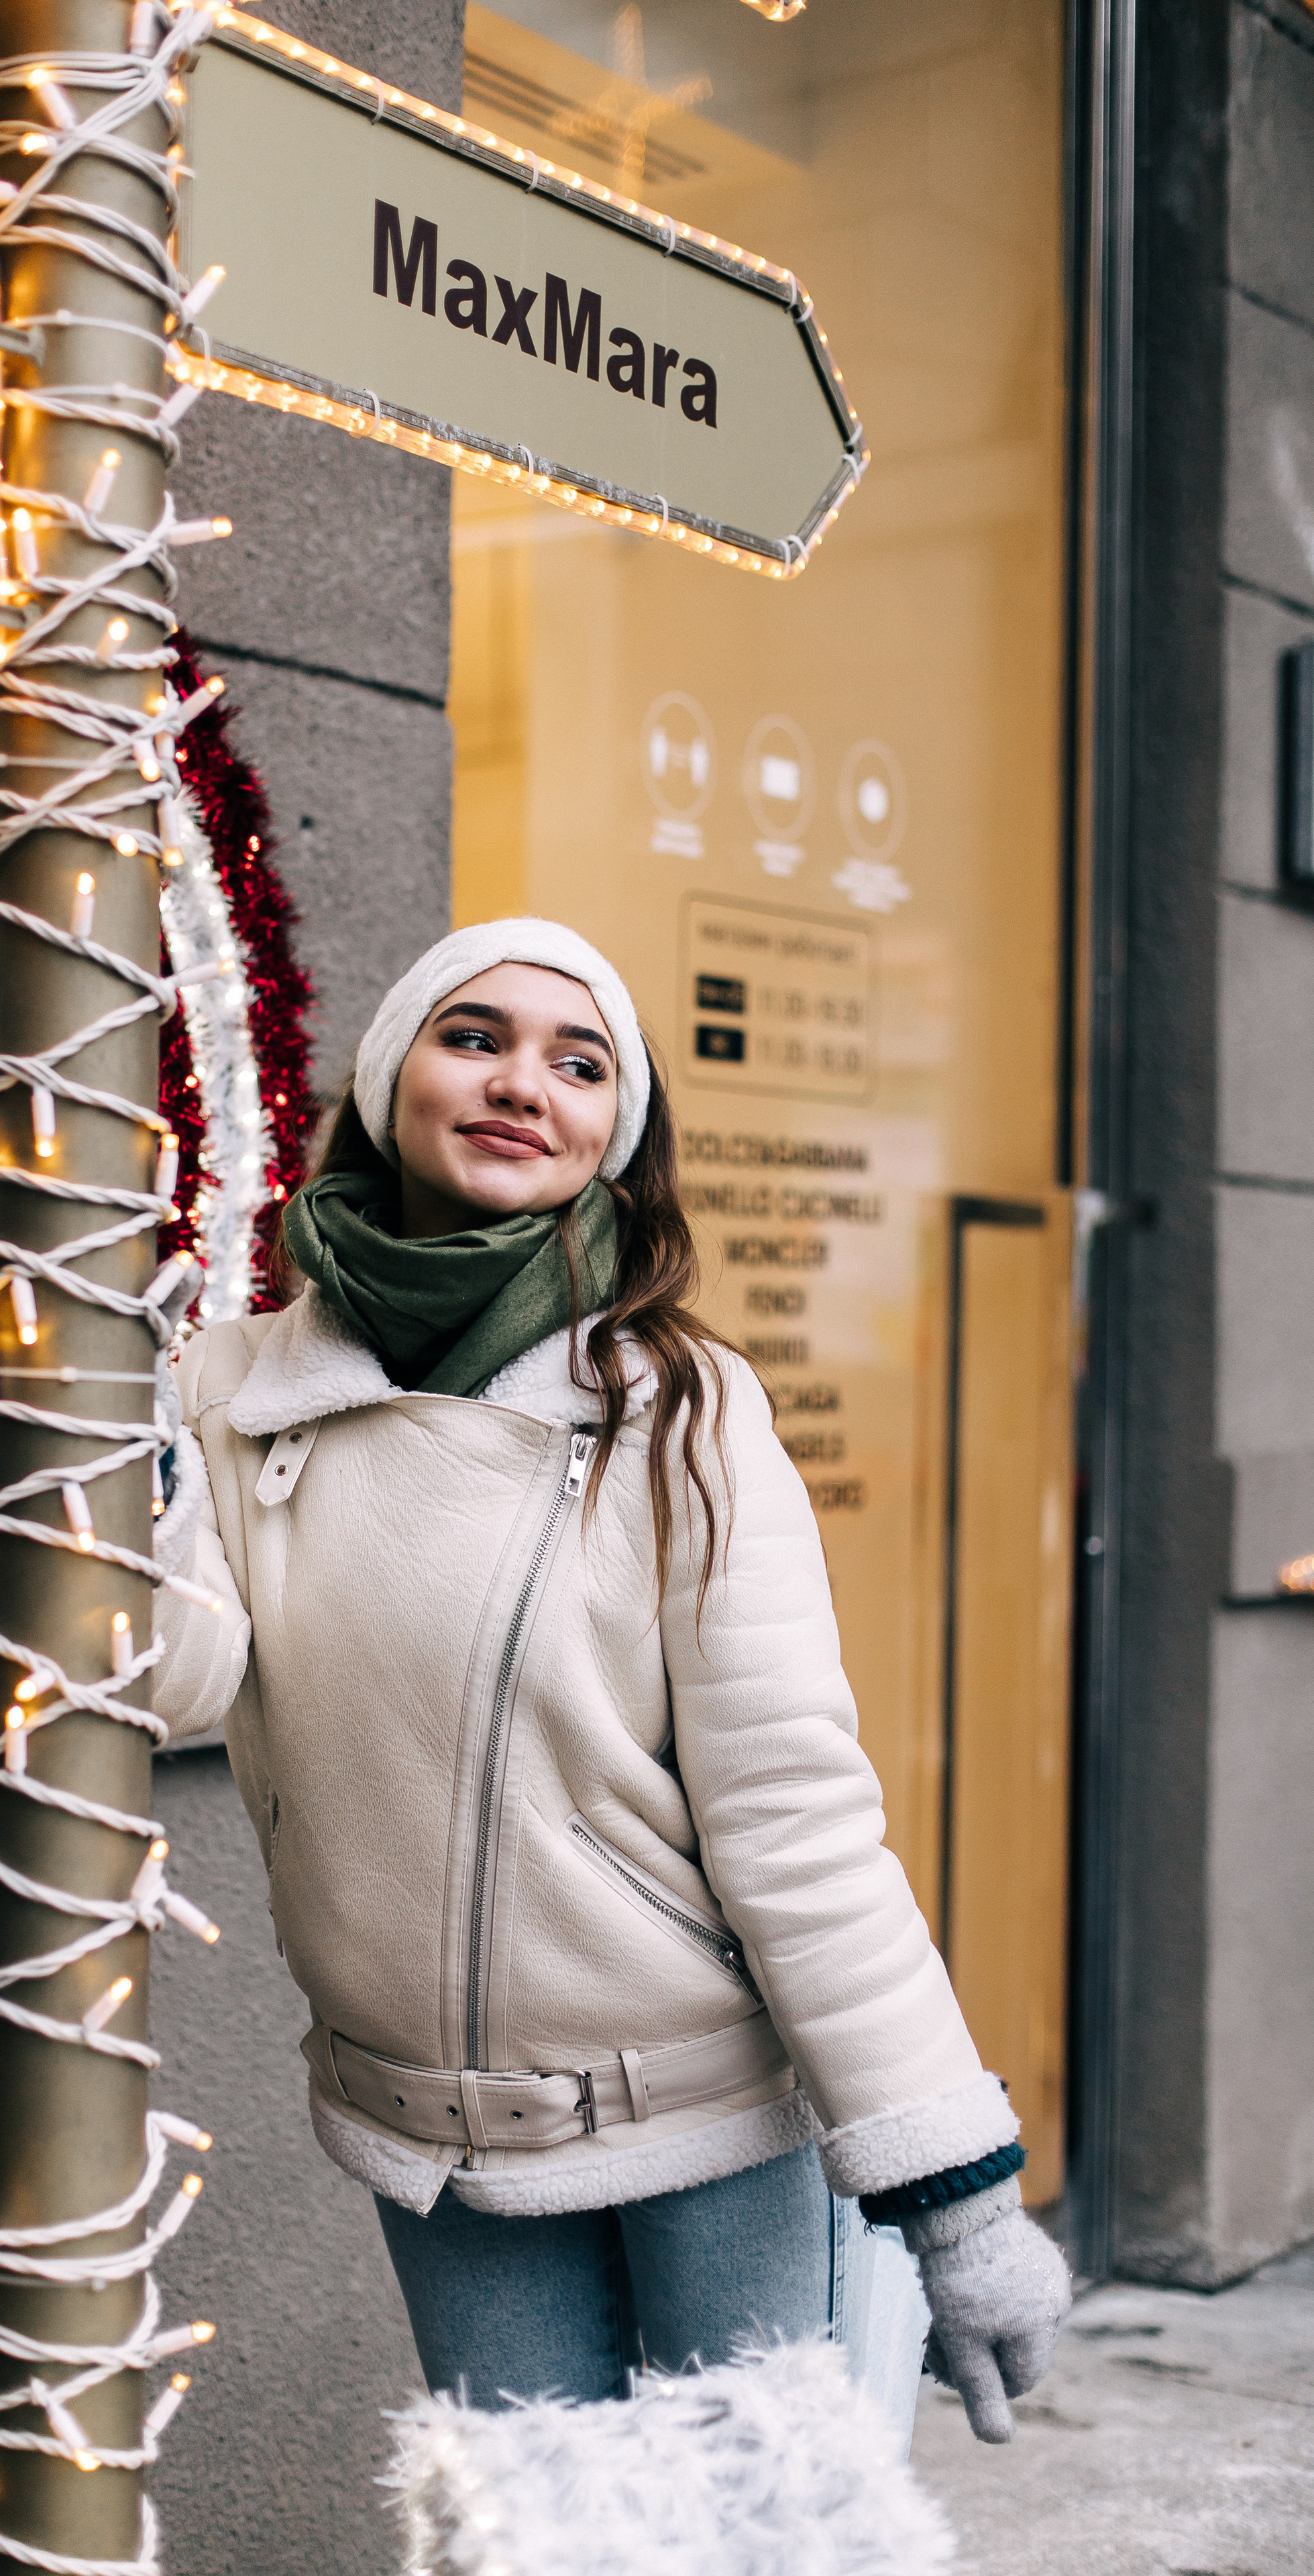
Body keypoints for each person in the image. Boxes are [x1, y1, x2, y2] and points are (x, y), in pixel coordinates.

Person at [151, 918, 1071, 2451]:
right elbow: (170, 1685)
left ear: (614, 1135)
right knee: (532, 2541)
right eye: (473, 1039)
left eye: (578, 1065)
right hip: (429, 2132)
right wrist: (87, 1407)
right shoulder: (235, 1392)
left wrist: (954, 2198)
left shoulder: (682, 1410)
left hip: (708, 2119)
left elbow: (792, 1815)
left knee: (743, 2540)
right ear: (386, 1083)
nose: (523, 1085)